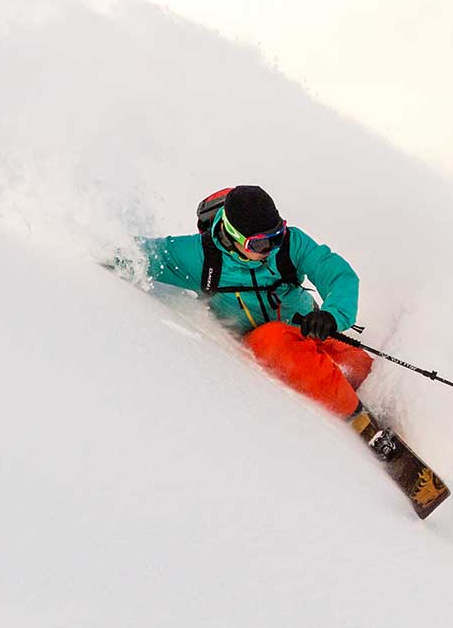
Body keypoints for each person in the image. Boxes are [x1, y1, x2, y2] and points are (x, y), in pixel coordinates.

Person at [138, 185, 393, 449]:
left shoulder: (291, 243)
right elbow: (138, 255)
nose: (271, 247)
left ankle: (397, 419)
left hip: (309, 329)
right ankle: (358, 421)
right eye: (260, 243)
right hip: (266, 346)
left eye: (276, 235)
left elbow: (338, 274)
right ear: (234, 236)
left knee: (363, 371)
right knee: (274, 340)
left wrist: (331, 315)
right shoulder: (199, 258)